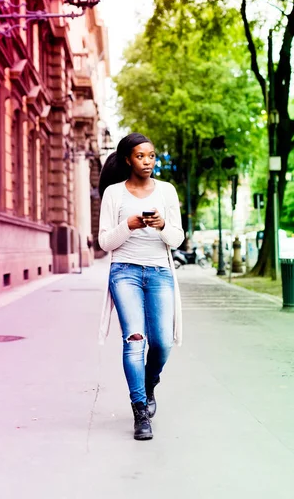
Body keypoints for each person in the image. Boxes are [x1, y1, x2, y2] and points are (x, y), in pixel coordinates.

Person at [98, 132, 184, 441]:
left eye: (151, 155)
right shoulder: (113, 194)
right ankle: (140, 411)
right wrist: (129, 225)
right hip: (125, 274)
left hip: (159, 272)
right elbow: (105, 242)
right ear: (127, 160)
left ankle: (149, 384)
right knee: (134, 340)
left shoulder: (167, 192)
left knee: (162, 343)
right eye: (140, 156)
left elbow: (177, 239)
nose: (147, 161)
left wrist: (162, 226)